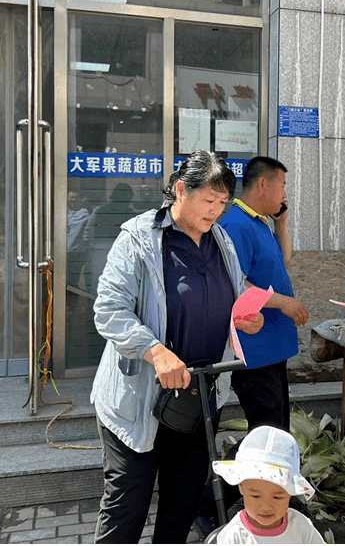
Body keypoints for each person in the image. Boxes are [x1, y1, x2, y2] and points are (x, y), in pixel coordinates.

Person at [90, 150, 264, 544]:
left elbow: (236, 296)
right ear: (181, 191)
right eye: (209, 201)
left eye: (223, 204)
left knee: (182, 502)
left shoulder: (221, 240)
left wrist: (247, 319)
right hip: (140, 398)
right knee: (126, 505)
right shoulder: (139, 237)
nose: (216, 211)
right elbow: (109, 310)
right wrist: (155, 351)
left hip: (198, 397)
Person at [220, 156, 309, 432]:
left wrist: (281, 224)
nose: (284, 194)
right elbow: (236, 282)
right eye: (281, 185)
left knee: (277, 427)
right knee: (267, 432)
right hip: (255, 353)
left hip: (272, 350)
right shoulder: (237, 224)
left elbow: (282, 262)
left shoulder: (260, 222)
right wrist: (283, 302)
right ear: (262, 184)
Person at [211, 425, 325, 544]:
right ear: (241, 487)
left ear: (291, 491)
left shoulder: (301, 525)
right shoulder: (233, 536)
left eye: (277, 497)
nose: (266, 507)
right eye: (255, 496)